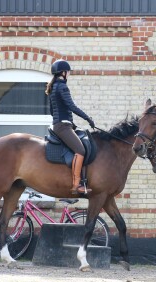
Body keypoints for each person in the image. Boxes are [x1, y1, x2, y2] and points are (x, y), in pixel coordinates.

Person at [45, 59, 95, 194]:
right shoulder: (62, 86)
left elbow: (52, 111)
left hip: (60, 125)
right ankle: (76, 185)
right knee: (80, 150)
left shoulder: (53, 86)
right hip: (63, 126)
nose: (69, 75)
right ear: (63, 73)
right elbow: (71, 106)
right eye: (68, 72)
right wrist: (87, 118)